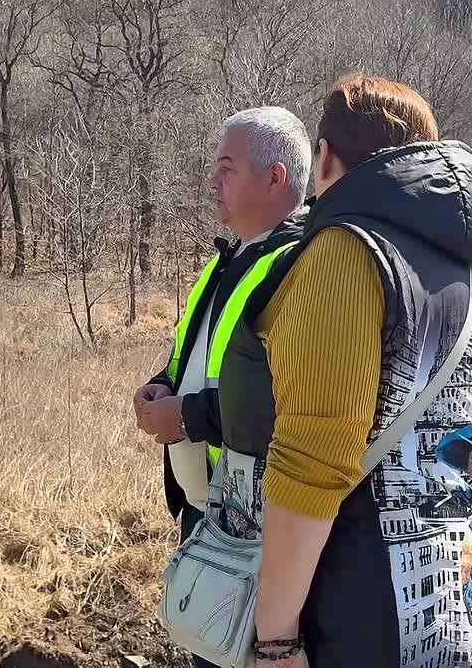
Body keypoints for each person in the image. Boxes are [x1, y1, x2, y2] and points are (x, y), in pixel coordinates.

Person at [212, 75, 472, 668]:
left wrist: (276, 639)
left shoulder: (347, 254)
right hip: (459, 589)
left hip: (355, 603)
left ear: (323, 158)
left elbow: (315, 458)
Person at [133, 107, 309, 667]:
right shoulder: (231, 258)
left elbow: (285, 399)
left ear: (276, 177)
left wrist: (188, 418)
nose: (214, 182)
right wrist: (162, 386)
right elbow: (193, 352)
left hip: (253, 524)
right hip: (209, 512)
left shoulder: (299, 268)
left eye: (228, 168)